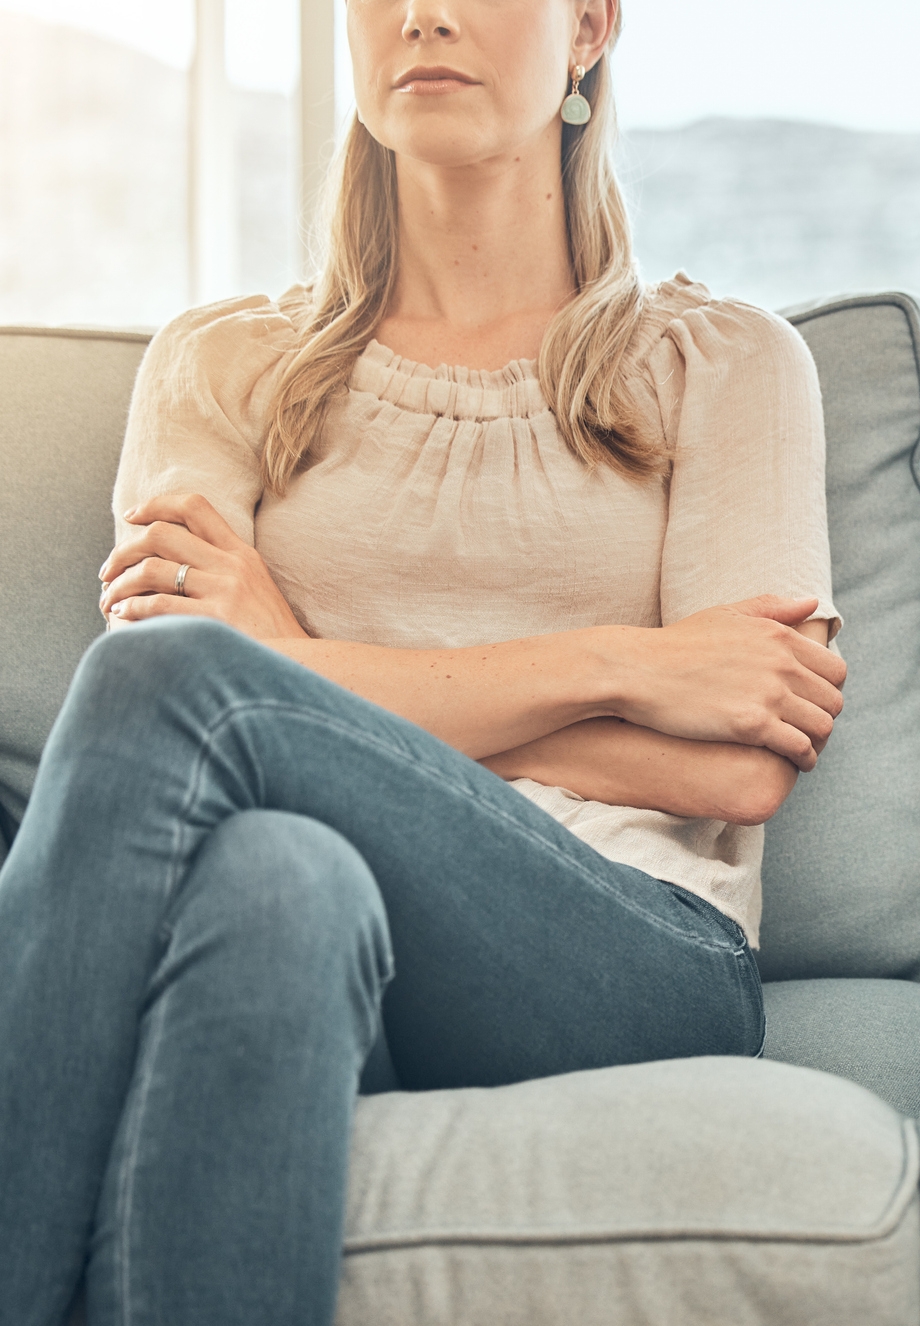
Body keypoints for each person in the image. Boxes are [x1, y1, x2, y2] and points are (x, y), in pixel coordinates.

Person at [0, 2, 846, 1322]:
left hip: (628, 945)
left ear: (589, 27)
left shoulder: (723, 364)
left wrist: (290, 664)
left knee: (174, 690)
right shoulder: (223, 367)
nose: (425, 14)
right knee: (277, 879)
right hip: (341, 921)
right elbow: (195, 728)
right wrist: (626, 666)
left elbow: (736, 772)